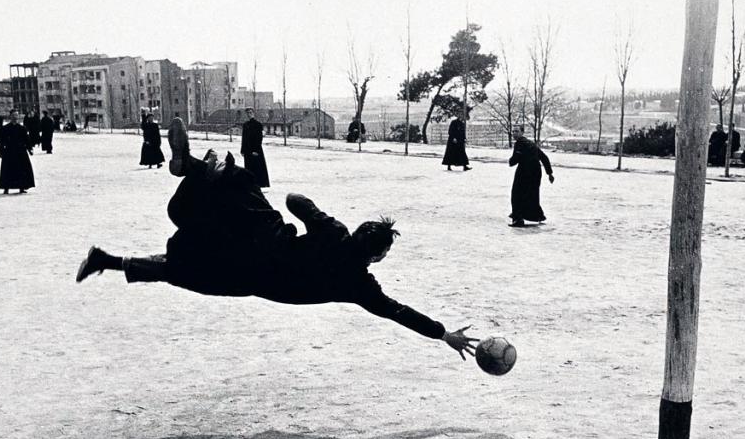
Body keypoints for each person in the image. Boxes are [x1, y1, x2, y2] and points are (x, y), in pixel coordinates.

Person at [75, 118, 479, 360]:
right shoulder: (360, 285)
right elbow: (398, 311)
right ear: (377, 257)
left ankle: (111, 253)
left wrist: (314, 214)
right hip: (254, 278)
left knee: (237, 190)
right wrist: (442, 333)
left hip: (263, 238)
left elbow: (294, 199)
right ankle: (196, 172)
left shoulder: (335, 232)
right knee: (185, 268)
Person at [508, 132, 554, 227]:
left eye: (516, 131)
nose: (514, 134)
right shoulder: (531, 143)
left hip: (525, 170)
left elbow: (515, 159)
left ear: (521, 133)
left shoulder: (519, 143)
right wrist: (549, 173)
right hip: (536, 171)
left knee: (517, 193)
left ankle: (518, 219)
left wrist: (511, 161)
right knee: (532, 194)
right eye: (513, 131)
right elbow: (544, 157)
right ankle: (538, 215)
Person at [0, 109, 35, 194]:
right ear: (10, 116)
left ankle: (22, 187)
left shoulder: (22, 128)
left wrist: (30, 149)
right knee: (8, 170)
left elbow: (27, 140)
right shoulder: (5, 128)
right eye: (14, 115)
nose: (15, 117)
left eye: (16, 115)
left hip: (20, 151)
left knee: (21, 170)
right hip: (9, 152)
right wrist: (1, 151)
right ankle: (6, 187)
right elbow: (2, 141)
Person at [241, 107, 270, 187]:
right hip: (247, 150)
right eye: (248, 113)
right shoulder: (245, 125)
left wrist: (256, 150)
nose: (249, 114)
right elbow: (244, 138)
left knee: (257, 168)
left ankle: (258, 184)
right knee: (248, 167)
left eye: (250, 112)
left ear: (253, 113)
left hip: (256, 150)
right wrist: (243, 150)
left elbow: (259, 139)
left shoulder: (258, 124)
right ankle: (250, 184)